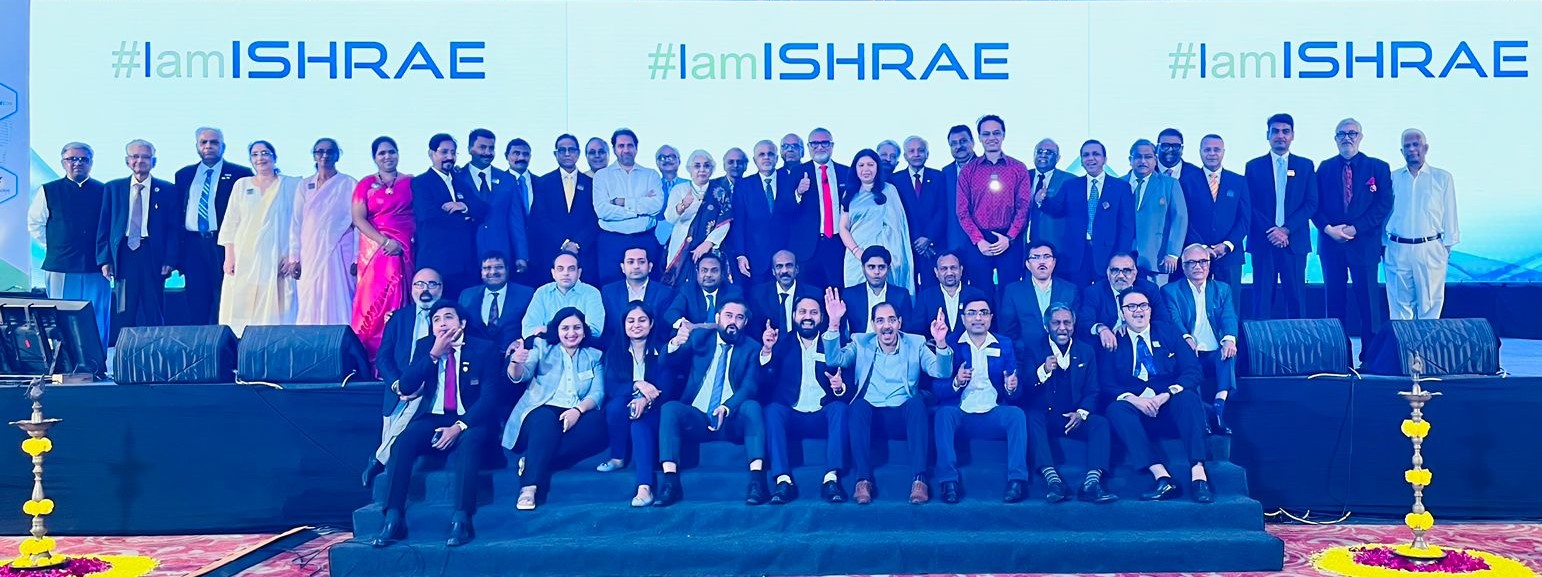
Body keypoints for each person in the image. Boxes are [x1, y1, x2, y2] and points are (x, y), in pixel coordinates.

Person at [369, 300, 513, 548]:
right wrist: (433, 355)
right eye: (436, 320)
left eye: (448, 317)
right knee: (403, 442)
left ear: (462, 323)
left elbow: (490, 398)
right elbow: (406, 386)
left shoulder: (484, 349)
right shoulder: (426, 346)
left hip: (471, 417)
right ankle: (393, 517)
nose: (442, 324)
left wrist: (459, 427)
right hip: (434, 416)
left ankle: (462, 518)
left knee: (470, 442)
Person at [822, 289, 953, 505]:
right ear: (873, 325)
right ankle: (863, 480)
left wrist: (940, 343)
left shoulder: (916, 343)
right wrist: (834, 323)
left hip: (902, 414)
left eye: (892, 320)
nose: (887, 326)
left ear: (900, 323)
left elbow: (942, 372)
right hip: (871, 417)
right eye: (880, 321)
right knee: (858, 406)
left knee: (917, 403)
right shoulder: (860, 342)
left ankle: (920, 480)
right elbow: (835, 360)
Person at [1101, 287, 1212, 504]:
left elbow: (1193, 370)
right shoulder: (1114, 341)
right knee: (1115, 409)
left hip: (1169, 407)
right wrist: (1134, 400)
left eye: (1143, 305)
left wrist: (1166, 394)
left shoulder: (1168, 332)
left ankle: (1199, 475)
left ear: (1150, 310)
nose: (1138, 311)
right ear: (1122, 313)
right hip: (1137, 413)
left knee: (1188, 397)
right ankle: (1162, 477)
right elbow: (1106, 383)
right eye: (1131, 306)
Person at [655, 299, 767, 507]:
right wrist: (675, 343)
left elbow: (749, 387)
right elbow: (666, 362)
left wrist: (727, 407)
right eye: (728, 316)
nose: (733, 322)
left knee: (752, 407)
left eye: (739, 317)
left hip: (731, 419)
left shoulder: (752, 348)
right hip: (697, 417)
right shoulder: (700, 337)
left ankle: (757, 481)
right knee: (670, 409)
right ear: (717, 318)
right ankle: (670, 483)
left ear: (745, 323)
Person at [503, 307, 607, 511]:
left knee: (598, 424)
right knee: (546, 420)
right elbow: (521, 375)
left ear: (584, 331)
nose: (571, 333)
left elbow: (598, 393)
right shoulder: (542, 347)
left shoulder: (593, 356)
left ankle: (532, 460)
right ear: (557, 330)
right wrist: (515, 362)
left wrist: (578, 410)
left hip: (574, 412)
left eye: (577, 327)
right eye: (565, 328)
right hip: (540, 410)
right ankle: (529, 487)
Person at [933, 296, 1029, 504]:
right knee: (943, 414)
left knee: (1016, 415)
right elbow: (937, 388)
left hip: (993, 411)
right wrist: (956, 382)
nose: (978, 318)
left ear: (991, 317)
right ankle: (949, 482)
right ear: (963, 318)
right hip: (961, 412)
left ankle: (1017, 481)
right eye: (972, 313)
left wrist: (1011, 387)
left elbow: (1016, 390)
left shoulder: (1004, 344)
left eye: (983, 313)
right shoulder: (951, 343)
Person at [757, 295, 849, 504]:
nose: (808, 317)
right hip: (792, 414)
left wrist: (839, 388)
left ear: (822, 317)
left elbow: (849, 385)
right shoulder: (781, 343)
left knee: (840, 408)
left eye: (813, 313)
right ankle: (783, 480)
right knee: (772, 410)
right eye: (803, 312)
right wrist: (767, 351)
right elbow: (764, 384)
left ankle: (831, 478)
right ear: (794, 316)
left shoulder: (833, 342)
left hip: (822, 413)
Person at [1023, 304, 1116, 503]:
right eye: (1056, 323)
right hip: (1046, 416)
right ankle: (1053, 482)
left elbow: (1093, 390)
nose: (1062, 328)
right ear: (1047, 326)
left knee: (1100, 423)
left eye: (1067, 323)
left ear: (1074, 325)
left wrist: (1081, 413)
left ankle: (1091, 484)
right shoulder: (1033, 348)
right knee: (1032, 417)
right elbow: (1024, 390)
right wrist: (1043, 371)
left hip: (1074, 416)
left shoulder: (1086, 351)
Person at [1314, 118, 1394, 351]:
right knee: (1334, 303)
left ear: (1361, 137)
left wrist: (1356, 228)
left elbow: (1384, 204)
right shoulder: (1325, 168)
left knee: (1369, 304)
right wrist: (1328, 229)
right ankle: (1339, 356)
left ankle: (1371, 358)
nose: (1346, 138)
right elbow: (1313, 203)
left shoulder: (1378, 167)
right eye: (1341, 134)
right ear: (1335, 138)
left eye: (1352, 133)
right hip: (1331, 244)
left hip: (1364, 245)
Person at [364, 267, 442, 488]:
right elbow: (383, 358)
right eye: (419, 284)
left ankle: (376, 461)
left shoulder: (447, 317)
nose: (425, 290)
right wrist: (398, 385)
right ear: (412, 288)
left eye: (432, 284)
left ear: (441, 289)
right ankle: (382, 468)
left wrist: (419, 386)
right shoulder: (399, 318)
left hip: (430, 389)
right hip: (397, 389)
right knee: (392, 438)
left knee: (399, 437)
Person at [28, 142, 110, 347]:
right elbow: (35, 224)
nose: (78, 163)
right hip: (60, 266)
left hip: (96, 266)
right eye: (72, 159)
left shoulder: (105, 191)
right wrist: (56, 246)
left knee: (97, 315)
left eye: (83, 159)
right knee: (61, 316)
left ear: (91, 163)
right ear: (63, 162)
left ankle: (96, 361)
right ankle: (64, 360)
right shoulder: (49, 190)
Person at [97, 139, 178, 340]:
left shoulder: (167, 189)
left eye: (145, 157)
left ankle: (156, 349)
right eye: (135, 156)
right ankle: (123, 351)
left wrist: (170, 259)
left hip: (152, 253)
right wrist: (105, 259)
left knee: (153, 308)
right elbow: (104, 225)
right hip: (124, 254)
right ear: (127, 161)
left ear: (154, 161)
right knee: (124, 308)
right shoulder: (113, 188)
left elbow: (174, 229)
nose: (140, 160)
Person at [217, 140, 299, 335]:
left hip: (277, 255)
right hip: (245, 257)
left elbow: (299, 222)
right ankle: (241, 344)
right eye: (255, 154)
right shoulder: (241, 185)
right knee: (242, 304)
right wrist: (229, 256)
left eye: (265, 153)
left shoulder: (291, 185)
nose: (260, 158)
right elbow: (231, 222)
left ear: (274, 157)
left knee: (276, 306)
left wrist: (292, 256)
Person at [597, 303, 673, 508]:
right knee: (615, 406)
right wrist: (637, 384)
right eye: (630, 321)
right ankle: (618, 457)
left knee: (640, 425)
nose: (636, 325)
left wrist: (645, 399)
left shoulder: (663, 350)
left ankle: (644, 488)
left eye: (642, 320)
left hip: (656, 409)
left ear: (651, 323)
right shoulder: (614, 352)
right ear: (623, 324)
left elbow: (667, 388)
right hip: (625, 405)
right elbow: (612, 387)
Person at [174, 127, 253, 325]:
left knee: (225, 297)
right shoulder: (183, 175)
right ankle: (200, 342)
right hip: (192, 245)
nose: (208, 146)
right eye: (204, 142)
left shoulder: (241, 174)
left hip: (224, 245)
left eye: (214, 142)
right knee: (196, 299)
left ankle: (225, 340)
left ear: (223, 147)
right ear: (197, 146)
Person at [1244, 113, 1317, 319]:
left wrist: (1285, 230)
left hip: (1294, 243)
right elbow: (1250, 204)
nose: (1280, 135)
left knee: (1296, 301)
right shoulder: (1253, 166)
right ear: (1268, 135)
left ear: (1292, 135)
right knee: (1262, 301)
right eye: (1275, 131)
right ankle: (1261, 340)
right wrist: (1273, 231)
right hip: (1263, 241)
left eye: (1285, 131)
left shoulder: (1305, 166)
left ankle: (1297, 340)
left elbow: (1311, 203)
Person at [1163, 244, 1240, 435]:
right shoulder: (1170, 291)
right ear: (1183, 266)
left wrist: (1229, 339)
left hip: (1214, 350)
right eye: (1192, 262)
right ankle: (1202, 417)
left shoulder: (1222, 289)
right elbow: (1174, 320)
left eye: (1203, 261)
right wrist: (1186, 338)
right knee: (1187, 362)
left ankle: (1219, 409)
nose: (1198, 266)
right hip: (1190, 350)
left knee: (1228, 354)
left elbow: (1229, 316)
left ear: (1209, 264)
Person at [1385, 129, 1459, 320]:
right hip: (1397, 248)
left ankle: (1426, 342)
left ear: (1425, 148)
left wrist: (1445, 248)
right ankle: (1403, 341)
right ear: (1401, 151)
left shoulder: (1442, 178)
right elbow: (1384, 213)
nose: (1412, 149)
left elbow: (1450, 213)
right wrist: (1384, 244)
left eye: (1416, 144)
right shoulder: (1391, 178)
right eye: (1407, 146)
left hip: (1430, 248)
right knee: (1399, 307)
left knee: (1430, 306)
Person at [352, 136, 415, 360]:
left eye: (391, 152)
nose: (387, 156)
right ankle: (368, 359)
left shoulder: (411, 182)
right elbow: (358, 219)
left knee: (402, 299)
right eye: (382, 153)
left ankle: (397, 356)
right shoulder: (365, 184)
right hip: (376, 249)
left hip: (406, 248)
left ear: (398, 154)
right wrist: (384, 241)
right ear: (374, 158)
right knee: (373, 301)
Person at [1041, 140, 1135, 287]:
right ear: (1081, 161)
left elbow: (1126, 226)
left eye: (1095, 154)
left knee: (1104, 296)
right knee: (1077, 296)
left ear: (1105, 159)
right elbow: (1056, 210)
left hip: (1108, 254)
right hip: (1076, 255)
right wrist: (1042, 200)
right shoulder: (1071, 185)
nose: (1090, 158)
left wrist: (1121, 256)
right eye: (1086, 155)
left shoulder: (1121, 187)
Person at [287, 137, 359, 326]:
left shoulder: (349, 183)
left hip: (340, 250)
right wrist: (294, 258)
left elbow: (358, 223)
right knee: (310, 298)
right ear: (314, 155)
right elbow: (296, 223)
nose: (325, 155)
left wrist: (356, 258)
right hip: (310, 252)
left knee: (340, 296)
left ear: (338, 155)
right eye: (320, 151)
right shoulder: (304, 185)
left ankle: (341, 337)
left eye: (330, 151)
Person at [956, 115, 1032, 293]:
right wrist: (979, 240)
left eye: (996, 133)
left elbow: (1023, 207)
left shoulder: (1018, 168)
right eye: (986, 134)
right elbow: (962, 211)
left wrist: (1009, 238)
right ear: (979, 138)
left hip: (1010, 239)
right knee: (980, 292)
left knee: (1011, 292)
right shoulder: (968, 171)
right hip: (978, 240)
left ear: (1003, 135)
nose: (991, 138)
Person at [412, 133, 488, 297]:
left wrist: (463, 206)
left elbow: (482, 208)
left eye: (453, 152)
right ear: (431, 153)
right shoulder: (421, 183)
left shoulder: (460, 182)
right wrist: (466, 220)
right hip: (437, 262)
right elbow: (428, 215)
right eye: (444, 152)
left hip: (465, 263)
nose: (450, 157)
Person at [592, 129, 664, 287]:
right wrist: (639, 210)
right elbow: (603, 211)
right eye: (621, 146)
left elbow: (656, 206)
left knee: (650, 290)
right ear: (614, 149)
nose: (626, 150)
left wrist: (622, 202)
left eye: (630, 145)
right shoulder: (602, 176)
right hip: (612, 242)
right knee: (611, 290)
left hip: (645, 239)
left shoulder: (650, 175)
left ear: (636, 148)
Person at [457, 129, 528, 282]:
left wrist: (521, 255)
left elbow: (516, 220)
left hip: (500, 254)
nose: (487, 152)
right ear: (470, 149)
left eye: (491, 148)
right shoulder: (457, 178)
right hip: (466, 253)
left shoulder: (507, 179)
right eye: (482, 147)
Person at [840, 149, 914, 294]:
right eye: (861, 165)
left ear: (877, 167)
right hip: (856, 256)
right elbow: (843, 227)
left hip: (884, 257)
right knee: (857, 296)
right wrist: (857, 252)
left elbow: (898, 228)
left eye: (870, 165)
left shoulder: (889, 190)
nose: (866, 169)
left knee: (887, 297)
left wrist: (888, 257)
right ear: (855, 168)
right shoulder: (849, 193)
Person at [1184, 135, 1250, 293]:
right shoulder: (1186, 181)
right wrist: (1202, 247)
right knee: (1198, 301)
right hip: (1197, 257)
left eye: (1216, 150)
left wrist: (1227, 245)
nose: (1212, 153)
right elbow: (1184, 219)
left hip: (1230, 256)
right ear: (1200, 152)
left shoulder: (1238, 181)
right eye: (1207, 150)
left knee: (1231, 302)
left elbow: (1245, 219)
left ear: (1223, 152)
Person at [786, 127, 850, 288]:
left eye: (825, 143)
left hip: (838, 244)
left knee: (837, 291)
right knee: (808, 294)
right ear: (808, 147)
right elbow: (784, 209)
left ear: (832, 146)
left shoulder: (846, 172)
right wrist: (798, 193)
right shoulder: (797, 172)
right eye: (815, 143)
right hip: (807, 248)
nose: (820, 147)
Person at [662, 150, 734, 286]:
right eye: (697, 166)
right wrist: (683, 205)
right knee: (679, 286)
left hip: (710, 248)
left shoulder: (719, 191)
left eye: (706, 166)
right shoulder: (680, 189)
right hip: (681, 246)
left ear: (712, 169)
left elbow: (725, 222)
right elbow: (670, 218)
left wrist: (708, 243)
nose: (702, 170)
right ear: (689, 169)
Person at [530, 134, 599, 274]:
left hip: (584, 253)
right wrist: (564, 243)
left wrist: (577, 244)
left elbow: (594, 218)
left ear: (578, 153)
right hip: (551, 252)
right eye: (562, 150)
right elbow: (540, 218)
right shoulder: (542, 183)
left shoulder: (591, 183)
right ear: (555, 154)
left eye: (571, 150)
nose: (567, 154)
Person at [1000, 241, 1080, 358]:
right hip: (1025, 357)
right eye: (1035, 257)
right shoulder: (1013, 291)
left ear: (1054, 262)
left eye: (1046, 257)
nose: (1042, 262)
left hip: (1062, 355)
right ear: (1027, 264)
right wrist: (1023, 351)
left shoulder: (1070, 290)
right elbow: (1008, 330)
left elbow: (1076, 327)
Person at [730, 140, 796, 280]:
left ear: (777, 158)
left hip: (787, 257)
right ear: (755, 160)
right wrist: (740, 254)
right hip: (755, 259)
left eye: (770, 154)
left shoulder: (790, 180)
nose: (766, 157)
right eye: (761, 154)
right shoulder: (743, 186)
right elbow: (738, 224)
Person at [1126, 139, 1188, 285]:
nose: (1143, 161)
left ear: (1155, 159)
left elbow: (1180, 219)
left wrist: (1172, 253)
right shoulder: (1119, 183)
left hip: (1157, 256)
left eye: (1148, 157)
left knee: (1156, 297)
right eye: (1138, 156)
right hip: (1125, 257)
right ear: (1130, 160)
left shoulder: (1170, 184)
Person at [1078, 253, 1166, 350]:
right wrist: (1101, 329)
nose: (1120, 276)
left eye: (1126, 271)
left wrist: (1132, 327)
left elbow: (1163, 320)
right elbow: (1084, 322)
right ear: (1108, 273)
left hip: (1141, 340)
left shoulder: (1149, 289)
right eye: (1115, 270)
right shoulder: (1094, 292)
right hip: (1110, 345)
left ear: (1135, 273)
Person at [891, 136, 945, 290]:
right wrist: (916, 241)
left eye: (921, 150)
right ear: (905, 155)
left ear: (927, 154)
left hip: (934, 246)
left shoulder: (939, 177)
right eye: (912, 151)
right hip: (907, 245)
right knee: (907, 289)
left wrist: (928, 237)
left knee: (933, 289)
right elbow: (897, 214)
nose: (916, 154)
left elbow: (942, 210)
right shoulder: (895, 181)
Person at [458, 252, 535, 351]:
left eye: (498, 267)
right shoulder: (466, 295)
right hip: (476, 356)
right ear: (481, 272)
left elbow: (532, 327)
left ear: (507, 269)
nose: (493, 272)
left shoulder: (527, 294)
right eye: (487, 268)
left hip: (513, 355)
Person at [521, 252, 605, 339]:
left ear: (579, 273)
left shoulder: (591, 293)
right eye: (560, 269)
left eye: (571, 269)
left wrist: (549, 331)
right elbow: (528, 330)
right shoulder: (542, 292)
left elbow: (595, 330)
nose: (566, 273)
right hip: (547, 345)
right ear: (553, 273)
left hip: (581, 345)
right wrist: (573, 332)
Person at [908, 251, 989, 341]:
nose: (949, 273)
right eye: (944, 269)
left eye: (953, 268)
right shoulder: (925, 297)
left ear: (961, 270)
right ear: (936, 272)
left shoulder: (977, 295)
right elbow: (917, 332)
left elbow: (987, 327)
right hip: (936, 348)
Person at [600, 246, 673, 340]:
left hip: (654, 346)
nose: (636, 266)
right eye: (630, 262)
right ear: (622, 267)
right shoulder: (608, 292)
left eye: (641, 262)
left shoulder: (665, 293)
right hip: (616, 346)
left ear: (650, 266)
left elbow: (664, 329)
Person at [839, 246, 913, 335]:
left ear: (888, 269)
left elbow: (907, 330)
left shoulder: (901, 295)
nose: (876, 272)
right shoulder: (850, 294)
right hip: (859, 342)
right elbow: (841, 329)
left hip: (891, 341)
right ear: (863, 268)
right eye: (871, 267)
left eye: (881, 267)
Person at [663, 253, 744, 329]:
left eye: (714, 270)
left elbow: (739, 319)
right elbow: (671, 313)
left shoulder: (733, 292)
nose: (708, 275)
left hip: (724, 336)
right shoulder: (688, 290)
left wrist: (699, 326)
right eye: (704, 270)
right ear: (697, 273)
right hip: (694, 337)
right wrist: (684, 324)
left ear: (722, 273)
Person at [748, 250, 819, 334]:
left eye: (789, 265)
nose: (784, 271)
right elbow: (755, 329)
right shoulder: (758, 294)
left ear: (796, 269)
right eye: (779, 266)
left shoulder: (814, 294)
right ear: (773, 271)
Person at [1028, 139, 1076, 250]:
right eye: (1039, 151)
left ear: (1058, 158)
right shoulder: (1023, 176)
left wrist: (1043, 201)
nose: (1043, 155)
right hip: (1023, 245)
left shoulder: (1070, 181)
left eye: (1049, 152)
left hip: (1056, 245)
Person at [941, 125, 978, 254]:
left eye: (963, 141)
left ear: (973, 142)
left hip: (982, 242)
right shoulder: (945, 173)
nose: (959, 146)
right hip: (953, 242)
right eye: (954, 143)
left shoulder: (986, 168)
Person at [652, 145, 685, 247]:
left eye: (672, 157)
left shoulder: (689, 185)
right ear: (657, 163)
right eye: (662, 157)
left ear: (679, 161)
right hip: (657, 237)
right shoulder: (651, 186)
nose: (667, 160)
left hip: (684, 237)